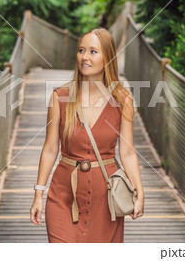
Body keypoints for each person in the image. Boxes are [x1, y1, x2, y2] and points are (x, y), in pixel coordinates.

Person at [29, 28, 144, 243]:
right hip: (63, 196)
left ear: (108, 58)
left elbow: (127, 152)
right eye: (82, 50)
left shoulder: (122, 101)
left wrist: (139, 193)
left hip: (107, 198)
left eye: (93, 51)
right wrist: (38, 194)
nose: (85, 57)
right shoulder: (60, 97)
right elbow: (50, 148)